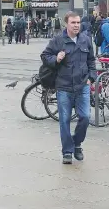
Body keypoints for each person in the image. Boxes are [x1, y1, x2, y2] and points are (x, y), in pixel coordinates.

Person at [41, 11, 97, 164]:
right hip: (64, 87)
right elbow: (45, 56)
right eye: (73, 23)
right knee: (64, 120)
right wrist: (56, 58)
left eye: (78, 22)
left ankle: (76, 143)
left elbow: (91, 61)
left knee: (85, 117)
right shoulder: (58, 40)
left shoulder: (86, 40)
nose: (76, 25)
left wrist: (91, 78)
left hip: (82, 86)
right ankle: (67, 151)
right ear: (67, 24)